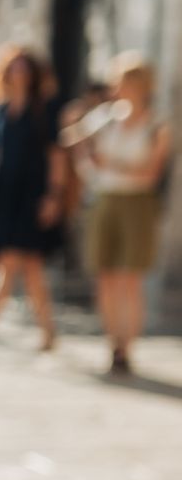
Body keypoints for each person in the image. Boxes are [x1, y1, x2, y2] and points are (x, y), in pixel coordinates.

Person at [66, 51, 172, 375]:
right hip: (105, 198)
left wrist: (111, 164)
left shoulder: (157, 125)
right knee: (106, 276)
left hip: (137, 203)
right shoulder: (105, 117)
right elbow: (71, 138)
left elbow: (151, 174)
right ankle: (114, 344)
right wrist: (87, 164)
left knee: (130, 277)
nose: (117, 87)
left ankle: (128, 346)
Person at [0, 43, 68, 353]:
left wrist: (54, 195)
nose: (19, 73)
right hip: (4, 193)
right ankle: (46, 332)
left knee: (19, 263)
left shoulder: (46, 109)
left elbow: (56, 155)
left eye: (24, 68)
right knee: (22, 265)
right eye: (14, 68)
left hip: (32, 193)